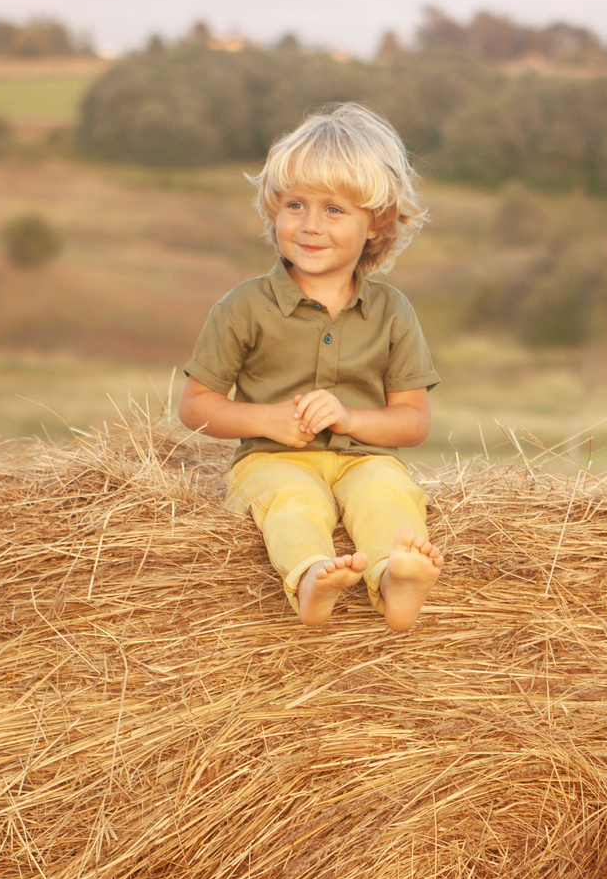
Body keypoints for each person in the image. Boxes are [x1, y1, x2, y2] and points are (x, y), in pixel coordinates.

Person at [177, 102, 446, 629]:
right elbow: (195, 407)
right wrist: (266, 420)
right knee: (294, 502)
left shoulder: (393, 311)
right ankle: (310, 577)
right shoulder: (243, 306)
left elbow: (413, 421)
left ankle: (396, 578)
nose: (310, 225)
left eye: (335, 210)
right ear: (273, 211)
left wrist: (352, 420)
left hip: (363, 457)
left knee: (386, 494)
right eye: (295, 205)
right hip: (272, 459)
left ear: (377, 225)